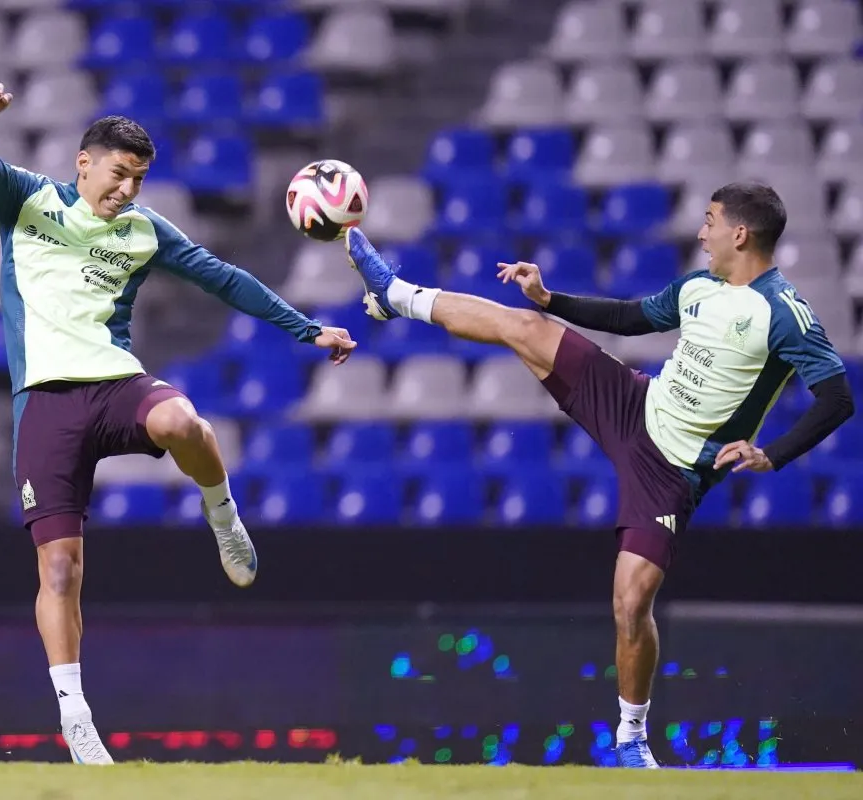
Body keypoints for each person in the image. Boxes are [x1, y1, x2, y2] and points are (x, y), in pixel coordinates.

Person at [345, 182, 854, 768]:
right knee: (524, 326)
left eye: (710, 221)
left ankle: (632, 737)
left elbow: (837, 396)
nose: (701, 232)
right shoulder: (698, 286)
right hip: (634, 405)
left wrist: (775, 452)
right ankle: (395, 294)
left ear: (740, 233)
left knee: (631, 602)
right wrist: (548, 297)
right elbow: (631, 318)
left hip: (673, 471)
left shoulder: (784, 313)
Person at [0, 81, 357, 764]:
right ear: (84, 163)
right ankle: (76, 718)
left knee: (181, 421)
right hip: (45, 403)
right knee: (58, 572)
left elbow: (224, 278)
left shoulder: (144, 232)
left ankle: (222, 514)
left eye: (139, 179)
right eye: (119, 174)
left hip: (112, 381)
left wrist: (305, 328)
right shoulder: (27, 201)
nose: (128, 191)